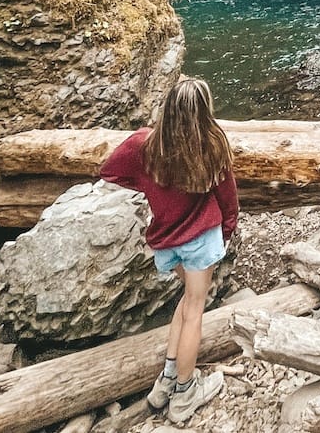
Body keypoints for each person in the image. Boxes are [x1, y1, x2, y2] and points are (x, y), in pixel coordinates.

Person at [100, 77, 238, 423]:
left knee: (185, 302)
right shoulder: (212, 145)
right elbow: (227, 197)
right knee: (195, 310)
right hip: (200, 240)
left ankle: (167, 380)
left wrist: (147, 185)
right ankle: (185, 393)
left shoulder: (144, 145)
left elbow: (110, 171)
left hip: (168, 242)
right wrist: (228, 230)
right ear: (205, 111)